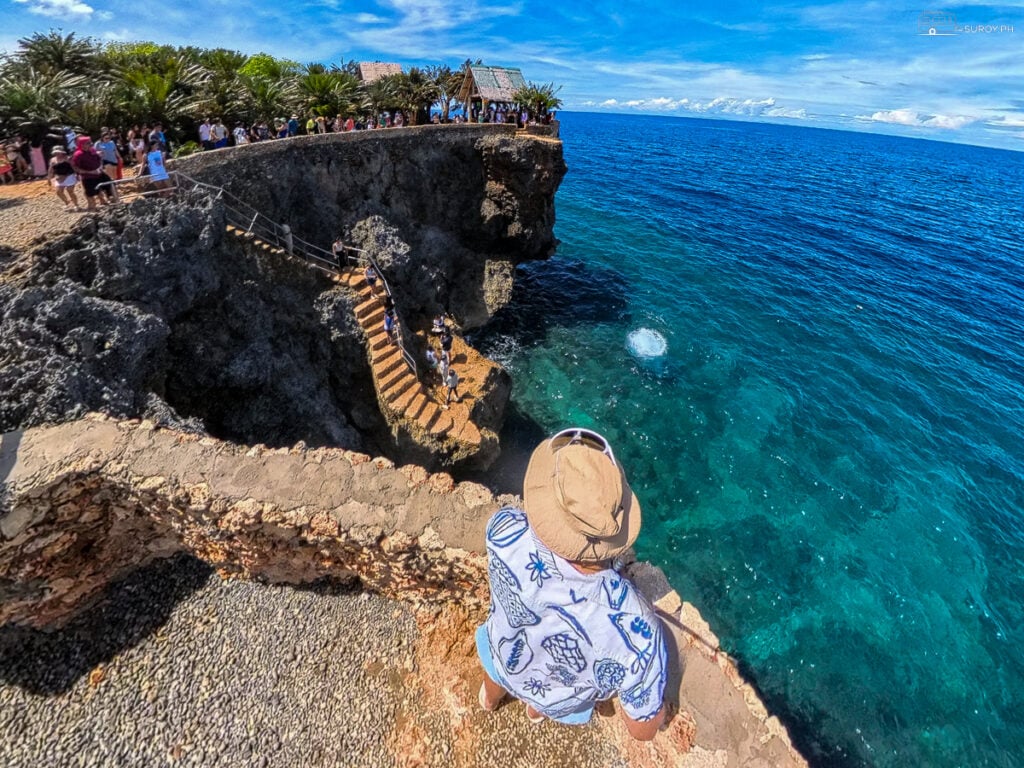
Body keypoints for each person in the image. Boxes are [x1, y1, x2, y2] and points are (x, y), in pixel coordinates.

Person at [477, 428, 668, 739]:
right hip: (558, 698)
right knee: (544, 696)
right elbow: (641, 730)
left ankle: (490, 700)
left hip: (502, 651)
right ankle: (535, 708)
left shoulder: (503, 529)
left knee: (497, 668)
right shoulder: (639, 629)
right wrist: (659, 715)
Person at [71, 136, 114, 211]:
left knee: (109, 183)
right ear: (82, 144)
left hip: (99, 173)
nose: (90, 145)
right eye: (88, 143)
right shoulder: (78, 154)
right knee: (90, 192)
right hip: (88, 176)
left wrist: (100, 166)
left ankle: (106, 200)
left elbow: (99, 159)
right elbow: (75, 167)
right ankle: (92, 206)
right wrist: (89, 172)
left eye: (90, 143)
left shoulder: (92, 150)